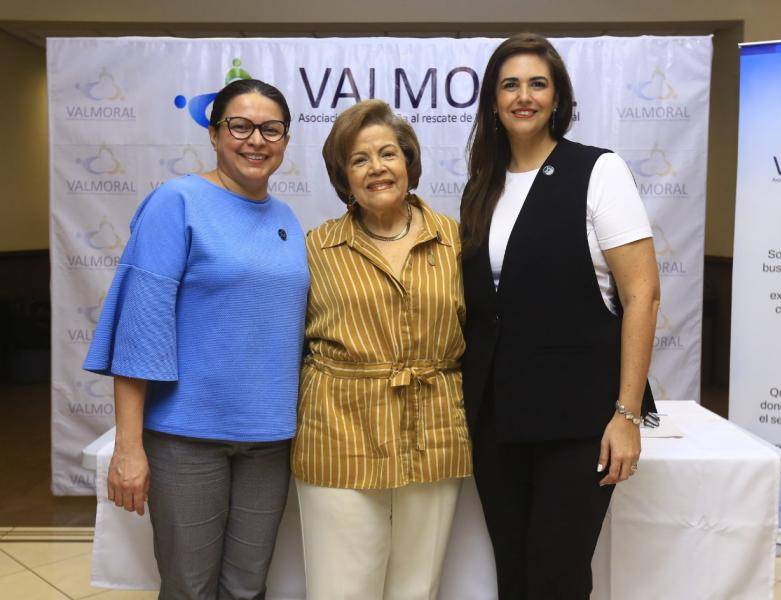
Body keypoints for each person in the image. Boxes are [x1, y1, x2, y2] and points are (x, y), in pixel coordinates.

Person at [83, 79, 310, 600]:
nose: (256, 140)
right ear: (214, 133)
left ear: (285, 140)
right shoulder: (176, 202)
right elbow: (140, 331)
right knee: (188, 587)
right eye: (240, 126)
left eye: (271, 129)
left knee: (249, 587)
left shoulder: (287, 219)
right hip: (186, 440)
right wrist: (129, 448)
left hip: (269, 438)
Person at [460, 33, 660, 599]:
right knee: (514, 571)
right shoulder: (482, 187)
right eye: (510, 85)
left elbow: (642, 295)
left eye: (537, 84)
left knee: (557, 574)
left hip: (580, 421)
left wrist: (626, 414)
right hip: (498, 418)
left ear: (558, 98)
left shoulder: (598, 171)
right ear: (493, 102)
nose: (524, 96)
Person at [291, 99, 472, 600]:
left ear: (409, 163)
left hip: (433, 427)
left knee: (418, 587)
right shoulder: (314, 248)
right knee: (339, 588)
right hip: (339, 429)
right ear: (342, 175)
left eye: (388, 154)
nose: (377, 169)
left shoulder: (458, 242)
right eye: (359, 159)